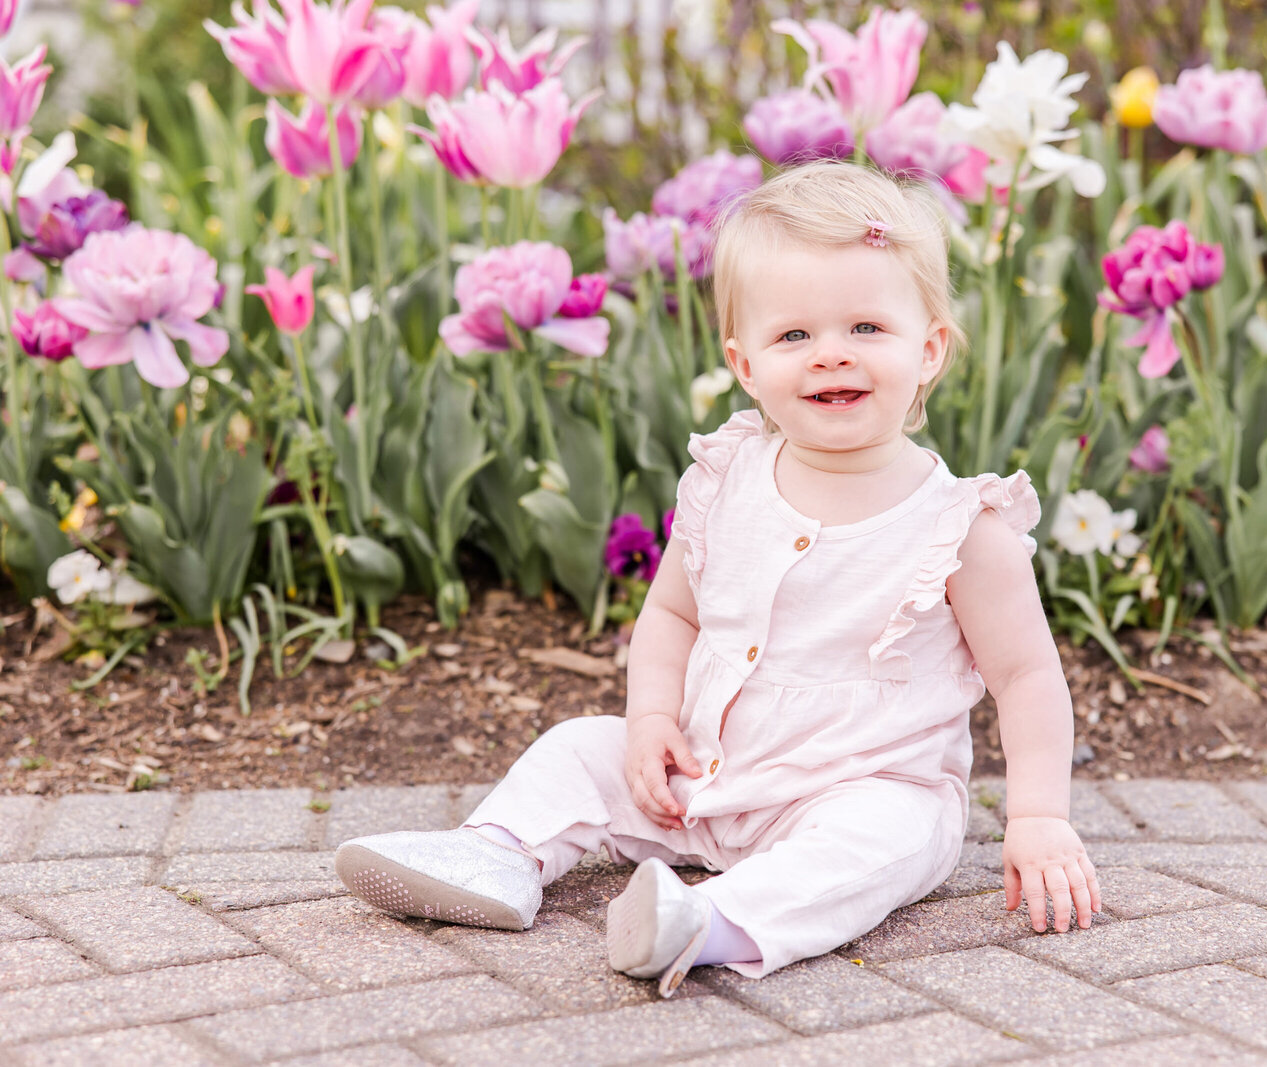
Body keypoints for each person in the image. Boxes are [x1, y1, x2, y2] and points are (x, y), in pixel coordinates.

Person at [335, 160, 1101, 996]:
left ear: (930, 349)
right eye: (794, 336)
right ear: (744, 363)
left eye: (867, 329)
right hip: (703, 774)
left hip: (859, 786)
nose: (830, 355)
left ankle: (709, 921)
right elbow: (671, 614)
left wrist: (1037, 817)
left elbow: (1026, 677)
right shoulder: (727, 476)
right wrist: (651, 719)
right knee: (579, 748)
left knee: (883, 841)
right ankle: (495, 854)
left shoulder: (960, 526)